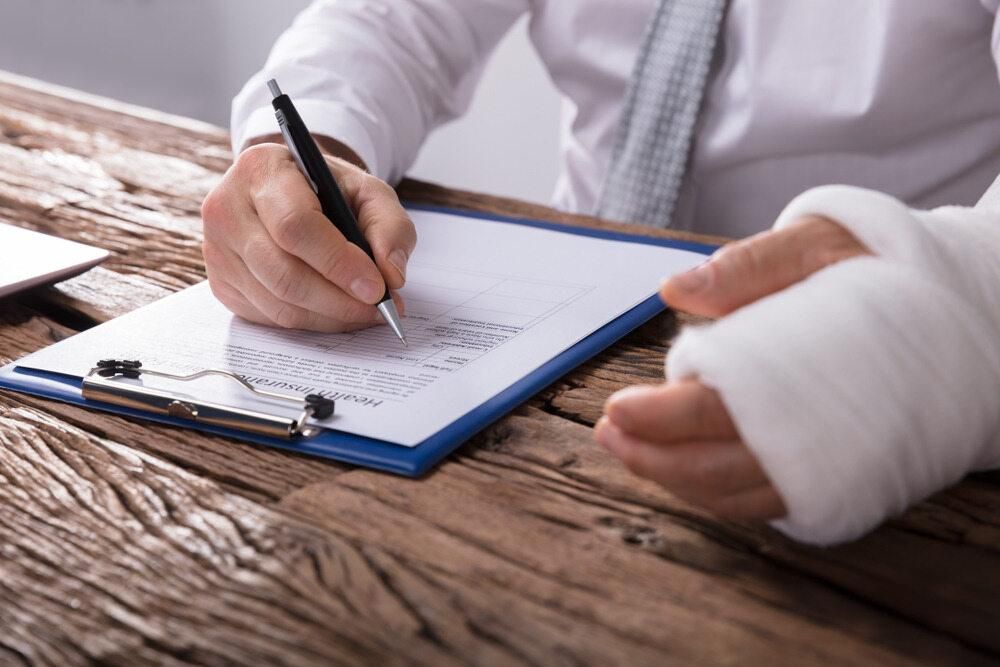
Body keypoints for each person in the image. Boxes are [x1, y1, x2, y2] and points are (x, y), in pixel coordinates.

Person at [201, 1, 1000, 545]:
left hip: (862, 347)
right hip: (560, 323)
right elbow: (394, 19)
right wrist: (315, 156)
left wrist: (952, 312)